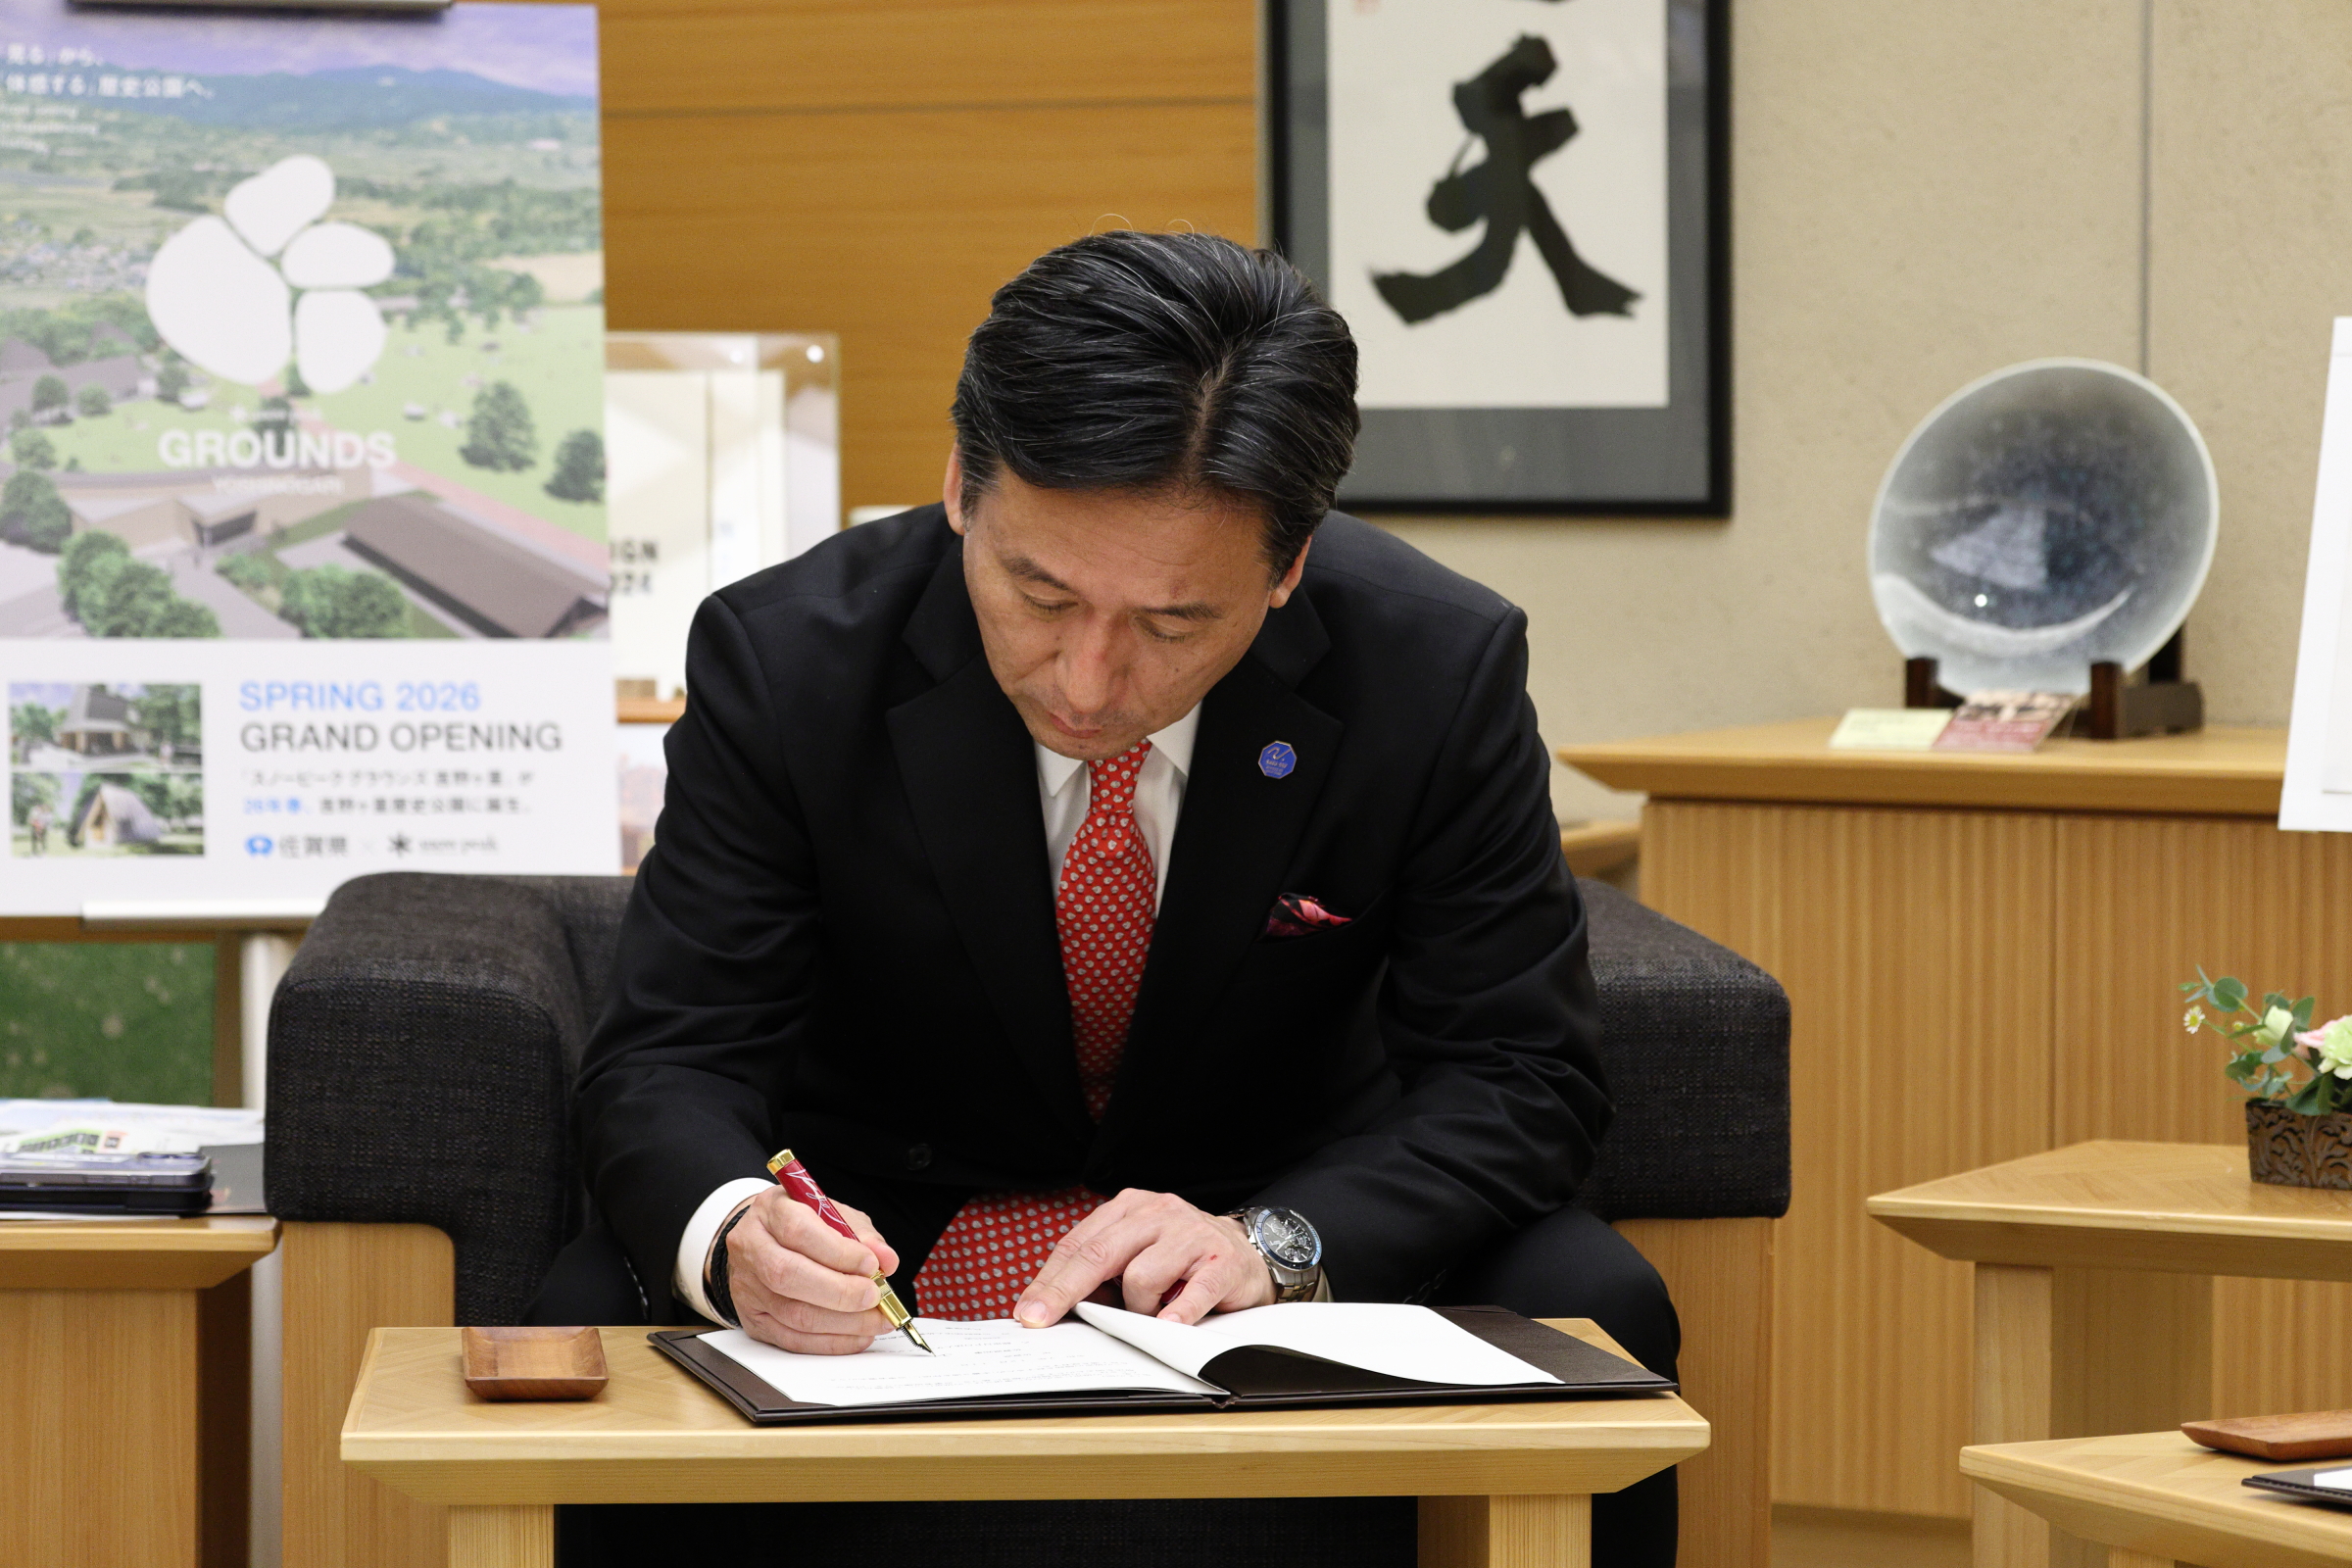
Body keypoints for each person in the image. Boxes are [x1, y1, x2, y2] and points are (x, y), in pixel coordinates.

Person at [545, 229, 1678, 1566]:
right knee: (584, 1308)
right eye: (1039, 592)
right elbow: (673, 1052)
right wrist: (741, 1229)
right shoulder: (790, 658)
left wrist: (1282, 1241)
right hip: (887, 1235)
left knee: (1592, 1294)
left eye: (1174, 624)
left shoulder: (1432, 669)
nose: (1086, 681)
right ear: (961, 486)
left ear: (1290, 565)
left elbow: (1520, 1070)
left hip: (1257, 1230)